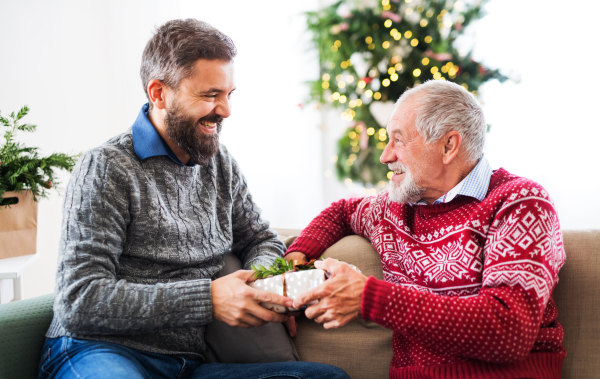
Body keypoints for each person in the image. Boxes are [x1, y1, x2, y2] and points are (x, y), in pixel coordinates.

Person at [38, 19, 349, 379]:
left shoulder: (219, 164)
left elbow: (260, 238)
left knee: (326, 378)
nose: (226, 110)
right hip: (99, 349)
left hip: (186, 365)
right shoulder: (107, 167)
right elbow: (80, 300)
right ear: (158, 93)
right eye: (210, 95)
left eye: (229, 94)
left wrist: (260, 286)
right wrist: (209, 299)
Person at [286, 80, 566, 378]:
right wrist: (295, 259)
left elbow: (509, 331)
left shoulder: (519, 202)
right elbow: (340, 212)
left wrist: (369, 297)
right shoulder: (392, 208)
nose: (385, 156)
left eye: (399, 140)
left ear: (448, 145)